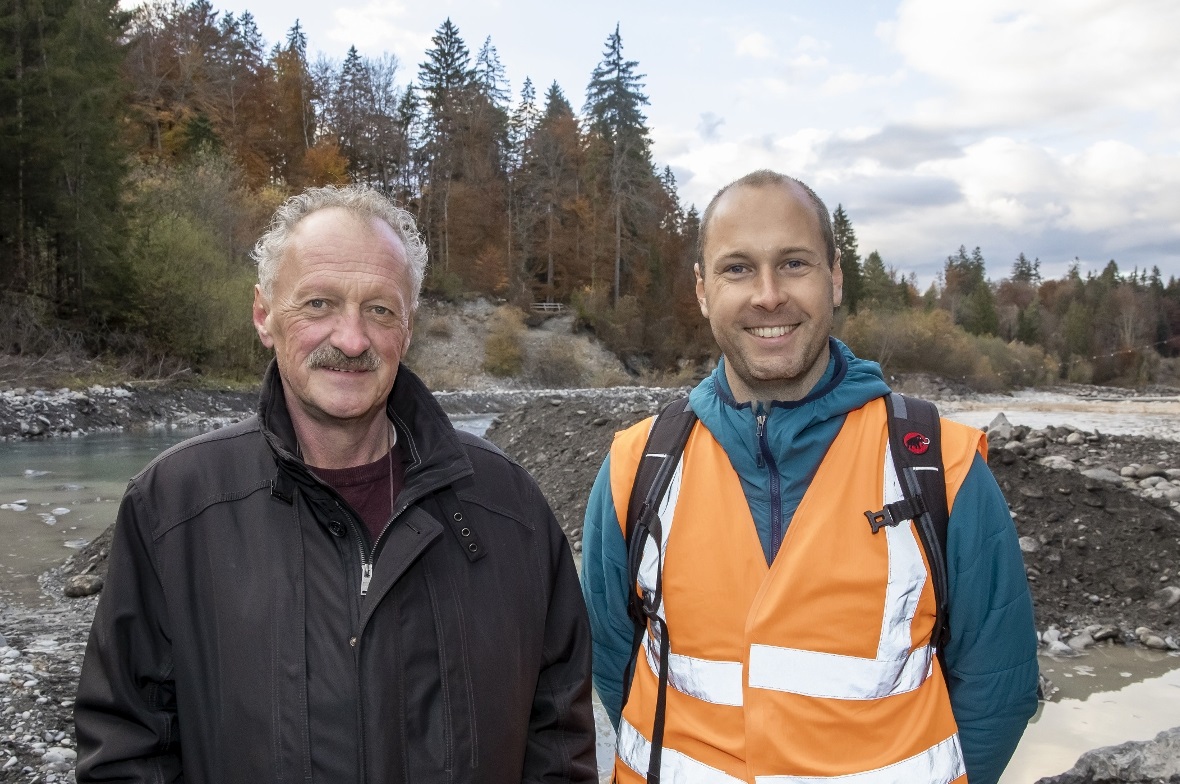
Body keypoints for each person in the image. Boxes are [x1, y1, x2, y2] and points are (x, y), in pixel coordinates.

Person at [74, 185, 597, 783]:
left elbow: (559, 740)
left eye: (379, 309)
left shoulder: (510, 510)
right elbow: (125, 750)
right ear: (264, 314)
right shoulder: (174, 507)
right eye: (319, 304)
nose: (351, 340)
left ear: (407, 328)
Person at [581, 170, 1038, 784]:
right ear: (701, 289)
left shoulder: (940, 467)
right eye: (737, 268)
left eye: (793, 263)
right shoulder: (637, 468)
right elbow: (614, 664)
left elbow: (997, 689)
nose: (769, 295)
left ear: (835, 277)